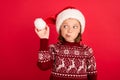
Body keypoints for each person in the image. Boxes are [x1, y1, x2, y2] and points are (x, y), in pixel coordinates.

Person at [35, 7, 97, 80]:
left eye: (75, 27)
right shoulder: (54, 48)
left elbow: (92, 75)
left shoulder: (87, 50)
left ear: (80, 29)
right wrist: (44, 39)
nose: (69, 30)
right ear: (60, 28)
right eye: (65, 26)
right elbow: (43, 66)